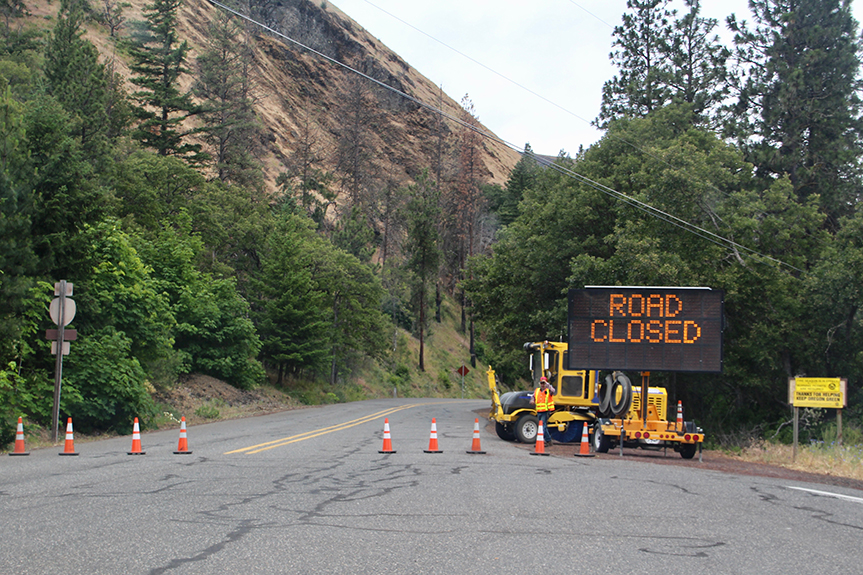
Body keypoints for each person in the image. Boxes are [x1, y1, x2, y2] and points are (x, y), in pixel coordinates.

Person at [530, 376, 556, 445]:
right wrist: (532, 400)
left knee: (543, 426)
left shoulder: (548, 390)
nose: (542, 384)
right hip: (539, 411)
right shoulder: (537, 390)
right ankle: (546, 440)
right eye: (541, 383)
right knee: (541, 426)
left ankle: (546, 440)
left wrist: (547, 384)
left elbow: (553, 390)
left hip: (545, 411)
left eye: (543, 383)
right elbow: (533, 397)